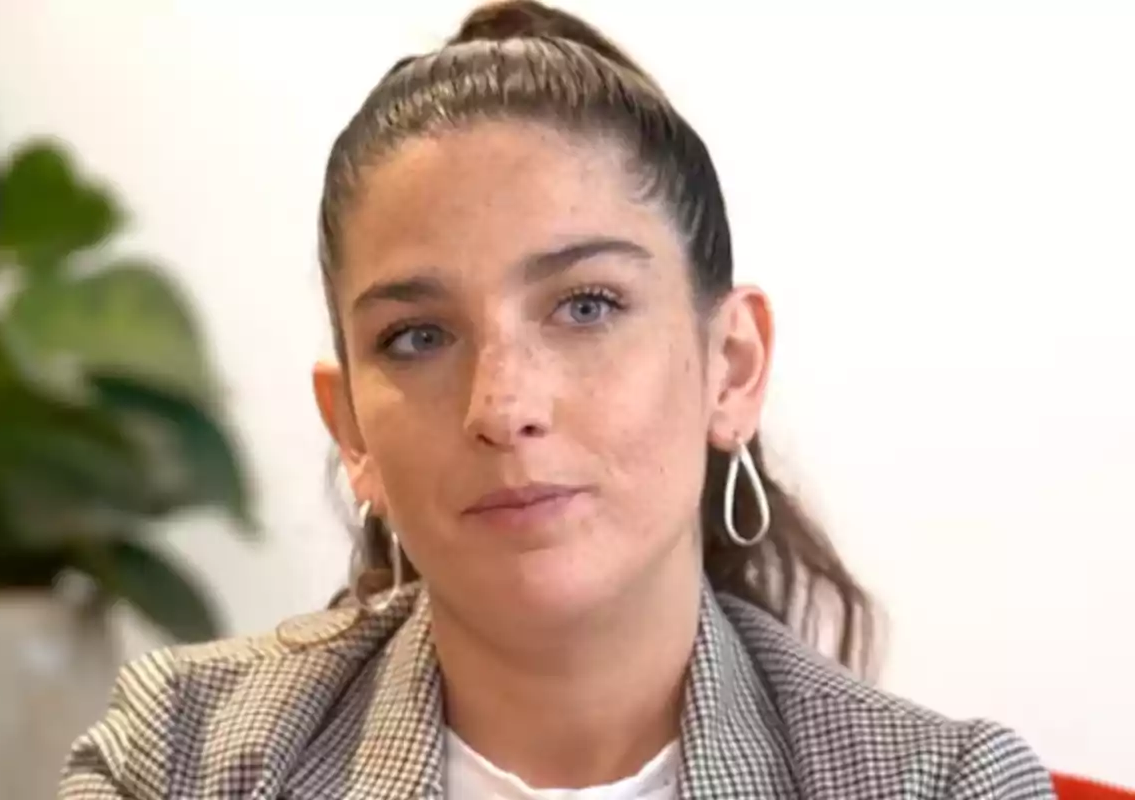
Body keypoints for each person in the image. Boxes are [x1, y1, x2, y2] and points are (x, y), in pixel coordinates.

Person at [58, 2, 1055, 798]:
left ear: (733, 365)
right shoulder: (178, 759)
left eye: (585, 305)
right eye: (418, 335)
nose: (503, 404)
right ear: (351, 426)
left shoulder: (943, 784)